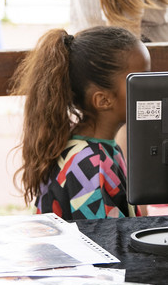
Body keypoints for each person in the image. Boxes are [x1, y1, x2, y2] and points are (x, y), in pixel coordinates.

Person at [11, 26, 150, 219]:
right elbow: (105, 242)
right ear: (103, 100)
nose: (152, 86)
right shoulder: (90, 165)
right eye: (140, 80)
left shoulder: (94, 150)